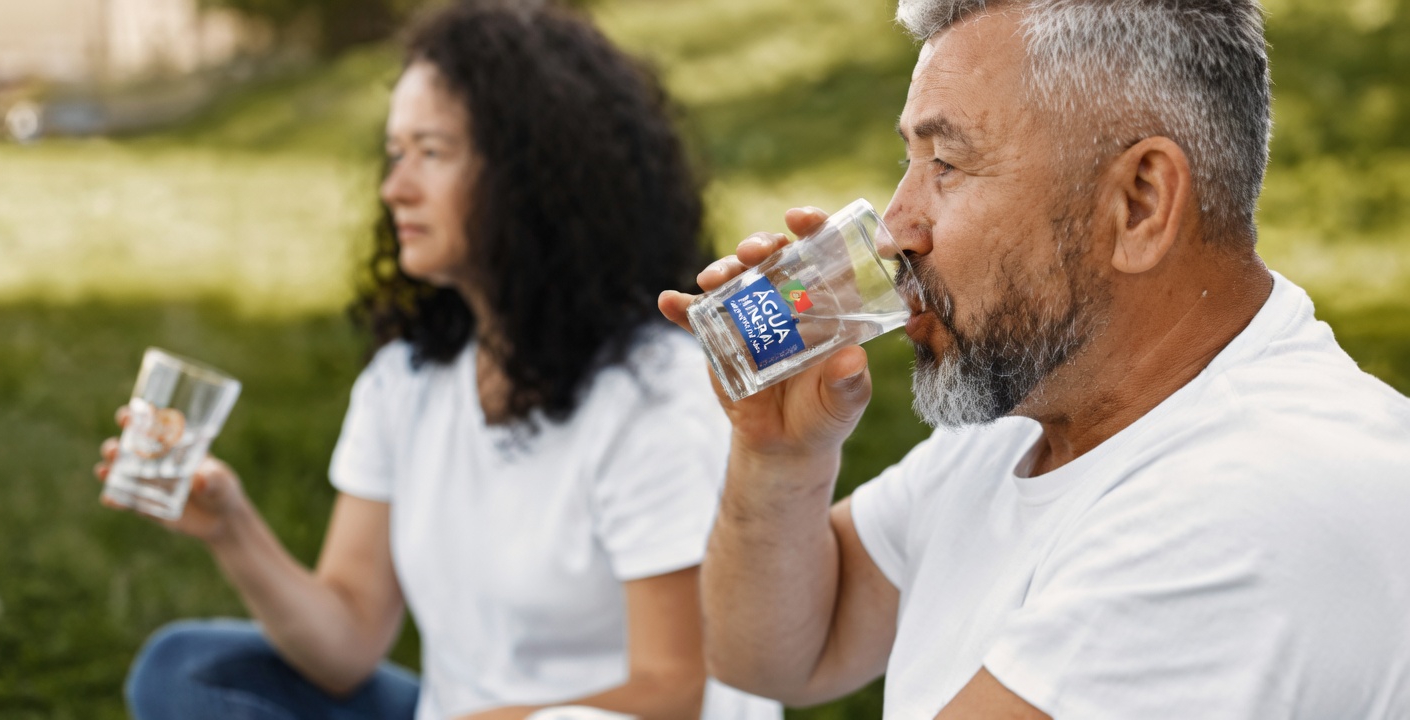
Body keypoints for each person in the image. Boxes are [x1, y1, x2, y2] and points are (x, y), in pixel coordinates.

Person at [658, 0, 1410, 717]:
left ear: (1140, 203)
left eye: (946, 163)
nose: (893, 231)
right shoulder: (1041, 410)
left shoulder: (1250, 507)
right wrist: (779, 456)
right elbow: (783, 655)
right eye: (908, 160)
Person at [93, 2, 782, 719]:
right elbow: (350, 640)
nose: (396, 188)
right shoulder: (409, 379)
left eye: (432, 153)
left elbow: (676, 690)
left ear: (532, 174)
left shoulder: (654, 396)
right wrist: (229, 527)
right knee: (186, 670)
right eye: (396, 154)